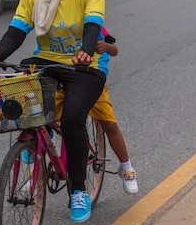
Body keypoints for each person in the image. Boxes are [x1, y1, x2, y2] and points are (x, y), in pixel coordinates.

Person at [0, 0, 108, 223]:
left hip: (85, 66)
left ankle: (78, 190)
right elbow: (17, 31)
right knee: (20, 98)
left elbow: (93, 25)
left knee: (72, 118)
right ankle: (31, 152)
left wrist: (86, 52)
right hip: (47, 60)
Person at [55, 26, 139, 194]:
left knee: (109, 124)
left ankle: (126, 167)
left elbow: (114, 49)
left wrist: (106, 47)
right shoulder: (61, 23)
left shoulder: (96, 26)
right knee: (42, 111)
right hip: (64, 77)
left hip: (92, 79)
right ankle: (36, 159)